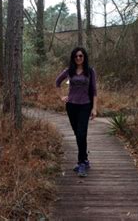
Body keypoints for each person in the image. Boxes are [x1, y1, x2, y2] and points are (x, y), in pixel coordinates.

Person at [55, 47, 97, 177]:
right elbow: (57, 82)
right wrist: (61, 97)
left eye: (81, 56)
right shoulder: (69, 71)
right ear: (73, 58)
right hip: (71, 106)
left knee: (81, 133)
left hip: (85, 105)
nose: (78, 58)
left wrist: (94, 108)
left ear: (84, 57)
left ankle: (81, 164)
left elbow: (94, 91)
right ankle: (85, 159)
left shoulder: (90, 71)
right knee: (78, 134)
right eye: (76, 56)